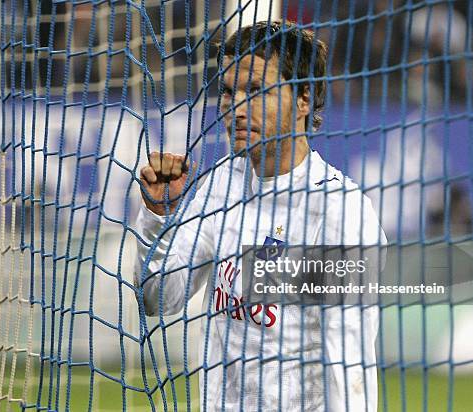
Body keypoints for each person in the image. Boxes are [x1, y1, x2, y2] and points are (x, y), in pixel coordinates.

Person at [135, 20, 386, 411]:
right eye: (229, 91)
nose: (235, 107)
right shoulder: (224, 183)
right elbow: (158, 299)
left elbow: (349, 365)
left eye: (255, 90)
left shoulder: (340, 211)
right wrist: (158, 216)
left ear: (303, 98)